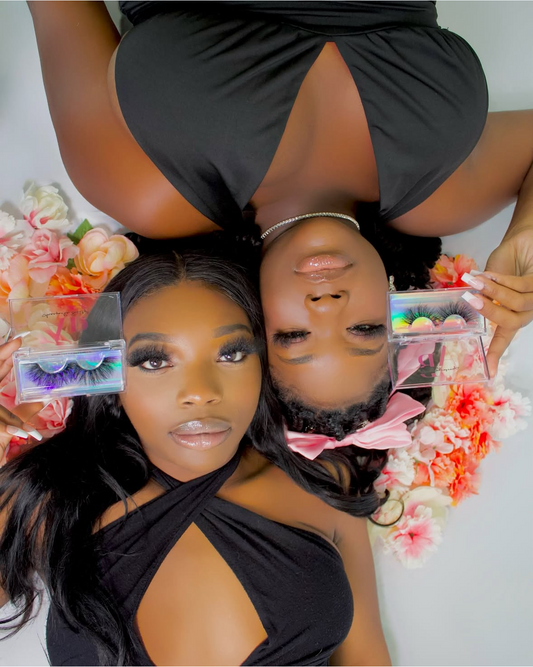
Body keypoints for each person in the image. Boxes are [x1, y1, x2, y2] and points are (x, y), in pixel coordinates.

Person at [27, 1, 533, 437]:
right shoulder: (438, 195)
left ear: (251, 321)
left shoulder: (149, 194)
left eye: (294, 337)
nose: (327, 306)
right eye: (364, 329)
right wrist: (525, 231)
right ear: (396, 307)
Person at [0, 239, 393, 666]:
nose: (201, 393)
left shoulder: (323, 485)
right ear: (106, 377)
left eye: (231, 353)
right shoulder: (48, 499)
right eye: (155, 361)